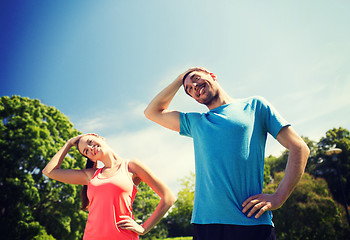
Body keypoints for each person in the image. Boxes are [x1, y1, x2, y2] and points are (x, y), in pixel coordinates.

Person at [144, 67, 310, 240]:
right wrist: (180, 79)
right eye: (189, 89)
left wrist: (278, 197)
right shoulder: (196, 122)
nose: (193, 86)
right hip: (207, 227)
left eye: (195, 78)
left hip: (252, 224)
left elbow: (299, 147)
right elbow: (152, 112)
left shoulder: (255, 106)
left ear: (212, 75)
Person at [42, 133, 176, 240]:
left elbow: (168, 197)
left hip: (124, 237)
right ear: (91, 159)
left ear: (99, 138)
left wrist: (144, 228)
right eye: (86, 151)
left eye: (90, 142)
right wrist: (69, 143)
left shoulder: (131, 166)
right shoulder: (91, 175)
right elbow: (49, 171)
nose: (90, 148)